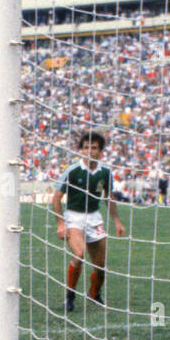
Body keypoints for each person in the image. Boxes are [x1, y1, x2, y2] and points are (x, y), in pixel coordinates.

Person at [50, 130, 125, 311]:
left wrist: (116, 221)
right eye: (85, 148)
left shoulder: (105, 172)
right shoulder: (72, 171)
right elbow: (56, 198)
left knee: (100, 265)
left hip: (94, 217)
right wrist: (61, 223)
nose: (89, 151)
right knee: (79, 254)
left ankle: (94, 294)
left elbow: (109, 197)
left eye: (93, 148)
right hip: (73, 217)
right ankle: (70, 296)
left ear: (100, 152)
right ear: (81, 150)